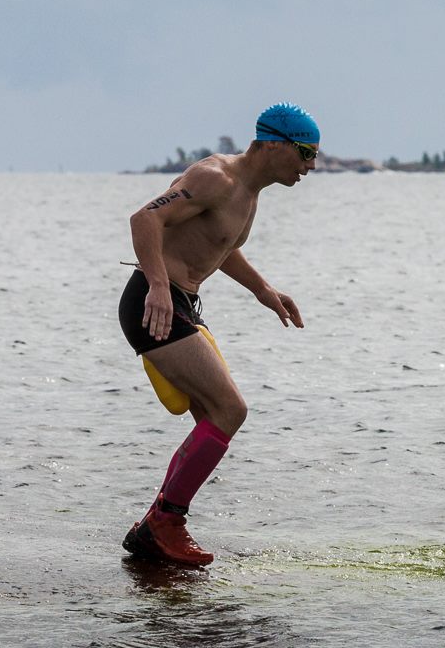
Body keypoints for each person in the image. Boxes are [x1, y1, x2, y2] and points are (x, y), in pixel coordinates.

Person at [117, 103, 318, 566]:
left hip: (180, 303)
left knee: (214, 414)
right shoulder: (216, 178)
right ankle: (163, 524)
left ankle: (160, 523)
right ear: (273, 143)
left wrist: (264, 291)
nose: (310, 166)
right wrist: (161, 288)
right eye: (305, 153)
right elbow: (144, 219)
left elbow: (219, 246)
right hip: (154, 301)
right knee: (231, 409)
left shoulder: (247, 194)